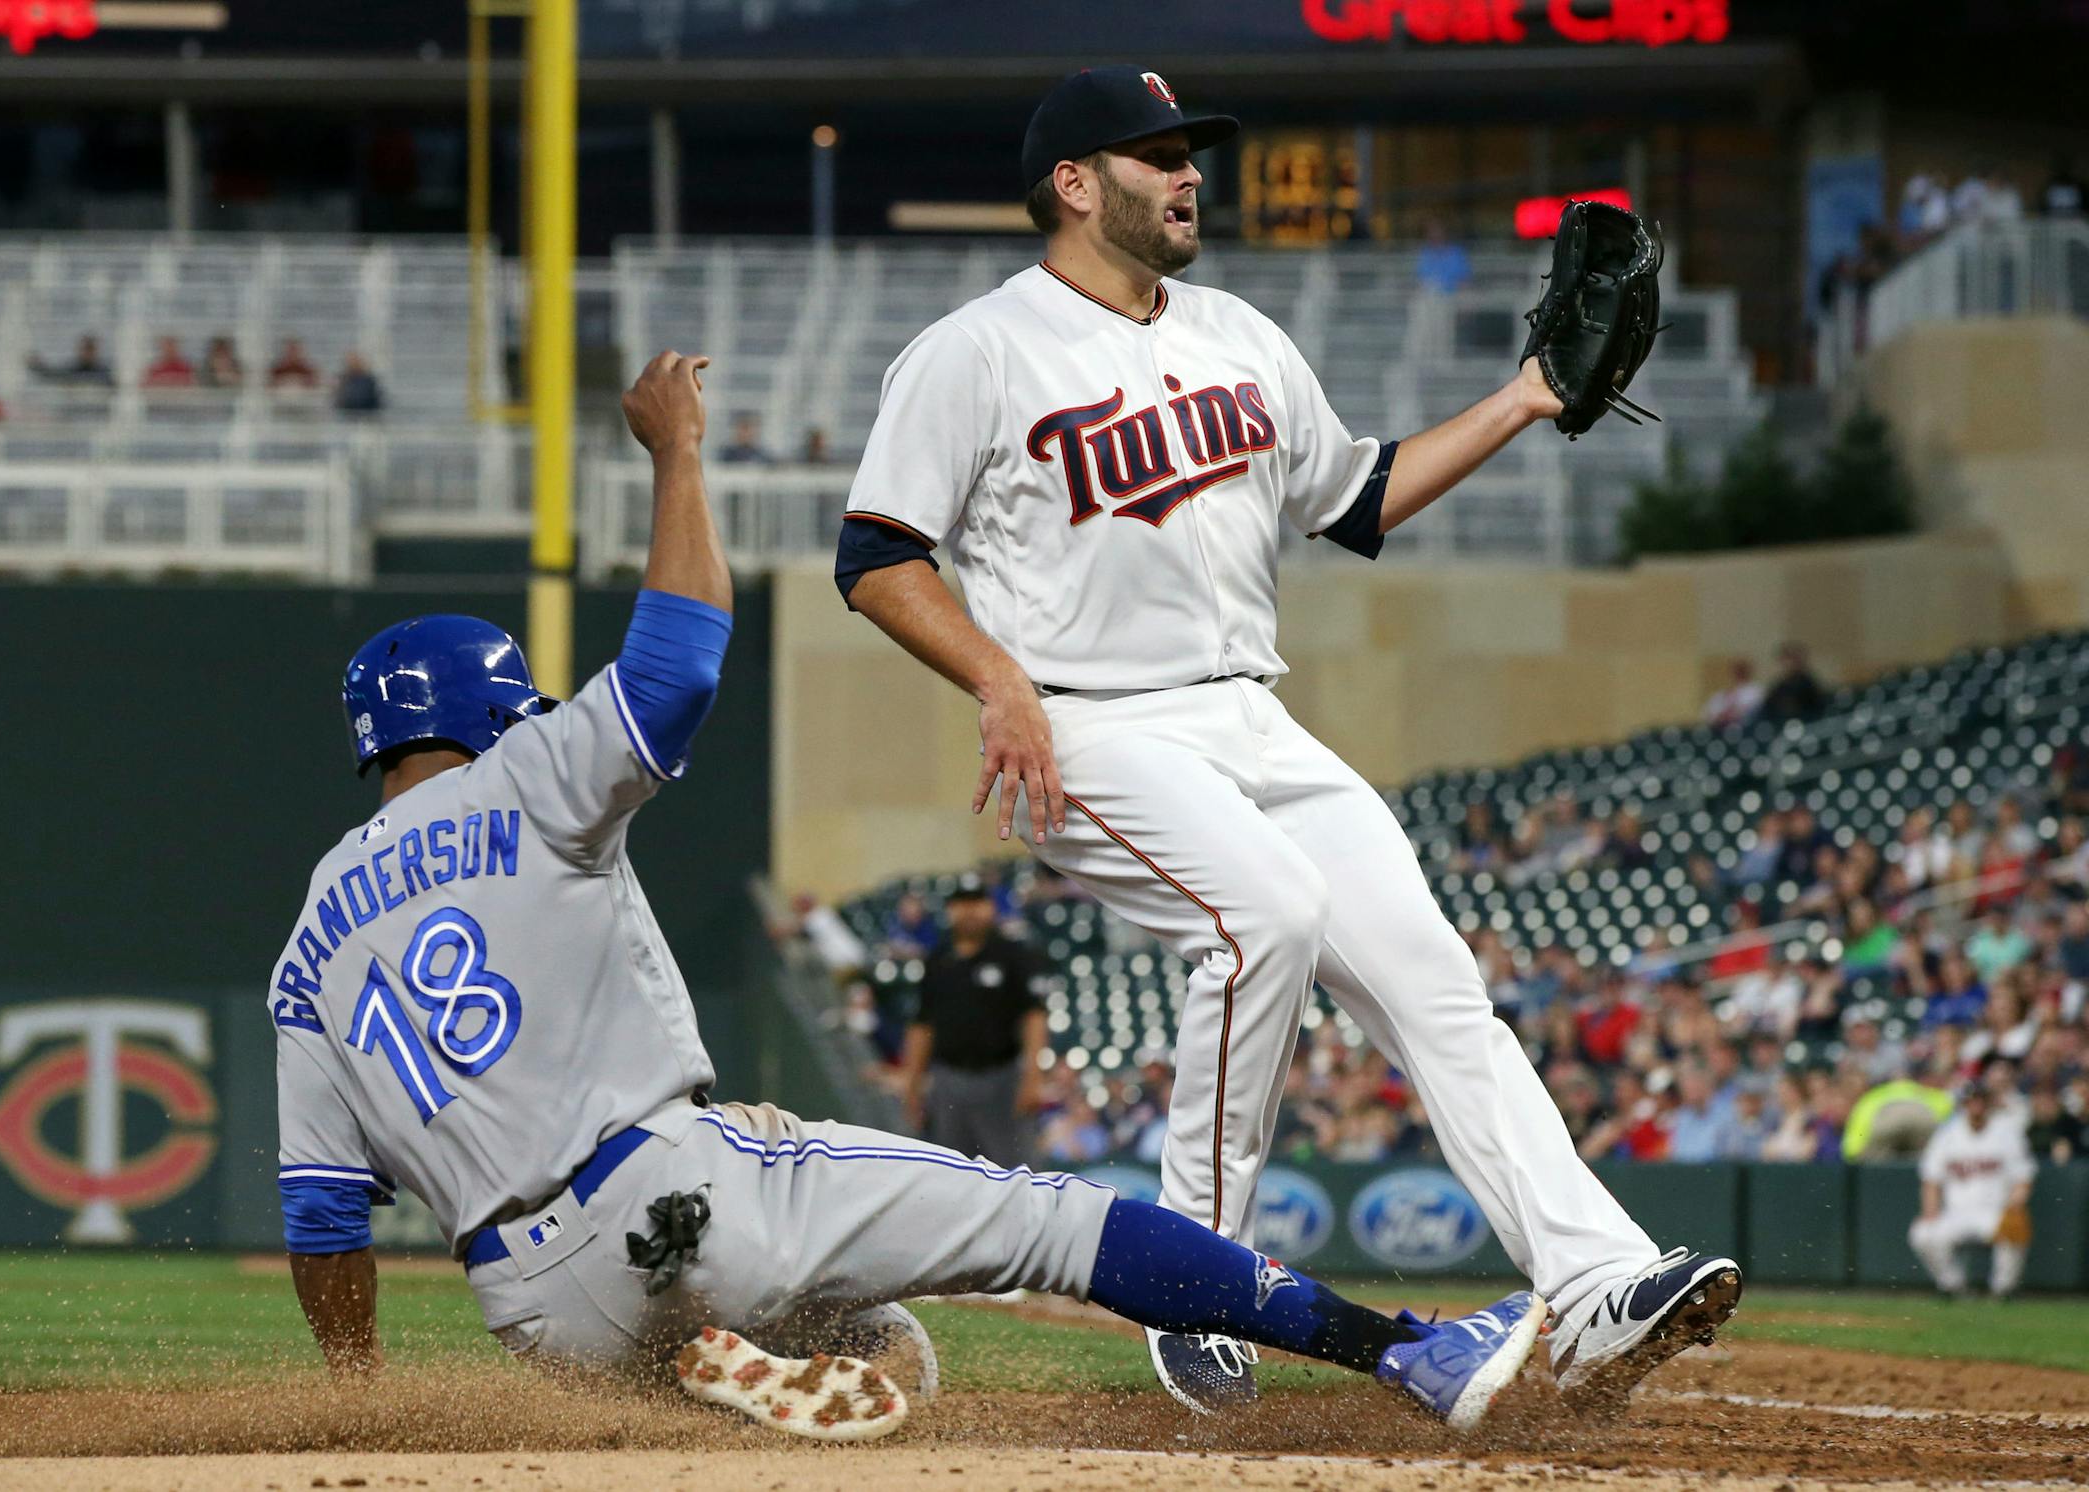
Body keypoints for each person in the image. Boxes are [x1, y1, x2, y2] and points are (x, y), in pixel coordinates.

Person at [269, 350, 1547, 1441]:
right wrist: (674, 453)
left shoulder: (311, 941)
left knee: (882, 1350)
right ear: (496, 712)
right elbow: (676, 664)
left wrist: (365, 1402)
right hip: (680, 1188)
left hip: (533, 1309)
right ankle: (1406, 1352)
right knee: (1059, 1223)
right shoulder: (525, 777)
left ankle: (707, 1362)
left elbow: (322, 1216)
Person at [834, 63, 1739, 1416]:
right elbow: (875, 556)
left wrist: (1522, 401)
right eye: (1153, 154)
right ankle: (1197, 1278)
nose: (1188, 172)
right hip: (1091, 722)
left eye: (1190, 150)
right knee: (1263, 915)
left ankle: (1599, 1282)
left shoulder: (1242, 335)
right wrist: (997, 679)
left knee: (1436, 985)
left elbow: (1358, 499)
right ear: (1074, 185)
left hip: (1251, 709)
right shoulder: (978, 351)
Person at [902, 875, 1048, 1165]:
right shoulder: (938, 959)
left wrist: (1033, 1077)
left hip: (1002, 1078)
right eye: (962, 903)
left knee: (1015, 1171)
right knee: (951, 1171)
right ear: (950, 910)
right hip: (948, 1081)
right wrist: (912, 1084)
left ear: (991, 907)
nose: (970, 911)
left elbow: (1034, 1017)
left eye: (977, 903)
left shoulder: (1012, 955)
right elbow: (922, 1025)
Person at [1909, 1080, 2035, 1300]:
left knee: (2014, 1227)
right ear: (1963, 1104)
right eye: (1971, 1101)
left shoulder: (2007, 1132)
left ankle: (2003, 1289)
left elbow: (2023, 1178)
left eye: (1980, 1101)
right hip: (1957, 1212)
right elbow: (1931, 1179)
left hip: (1995, 1211)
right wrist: (1931, 1211)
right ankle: (1952, 1286)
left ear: (1988, 1104)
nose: (1976, 1106)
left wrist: (2015, 1205)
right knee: (1922, 1233)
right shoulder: (1947, 1134)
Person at [1759, 642, 1824, 723]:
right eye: (1786, 660)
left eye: (1793, 660)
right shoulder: (1779, 687)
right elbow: (1767, 708)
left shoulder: (1808, 685)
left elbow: (1816, 708)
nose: (1789, 664)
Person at [28, 333, 114, 386]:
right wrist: (38, 366)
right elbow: (53, 374)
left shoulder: (103, 372)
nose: (88, 353)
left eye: (90, 349)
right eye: (85, 349)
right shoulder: (73, 369)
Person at [1414, 218, 1471, 294]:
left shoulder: (1457, 252)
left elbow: (1464, 278)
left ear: (1444, 232)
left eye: (1438, 230)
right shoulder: (1425, 253)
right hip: (1431, 294)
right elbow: (1421, 279)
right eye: (1431, 231)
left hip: (1454, 294)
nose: (1435, 234)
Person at [1703, 659, 1762, 729]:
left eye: (1742, 670)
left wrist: (1734, 713)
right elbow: (1708, 714)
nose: (1739, 673)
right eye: (1737, 671)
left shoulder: (1756, 691)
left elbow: (1752, 710)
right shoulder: (1722, 694)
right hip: (1721, 729)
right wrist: (1721, 716)